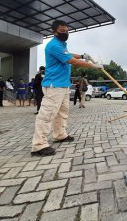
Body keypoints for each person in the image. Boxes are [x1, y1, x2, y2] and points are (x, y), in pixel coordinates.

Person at [31, 20, 102, 156]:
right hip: (54, 85)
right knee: (47, 114)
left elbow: (69, 54)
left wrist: (83, 56)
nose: (65, 33)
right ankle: (39, 145)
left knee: (62, 112)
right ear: (54, 32)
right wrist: (93, 65)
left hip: (63, 85)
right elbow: (72, 61)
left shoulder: (61, 44)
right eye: (62, 31)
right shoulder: (53, 45)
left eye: (67, 31)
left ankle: (59, 135)